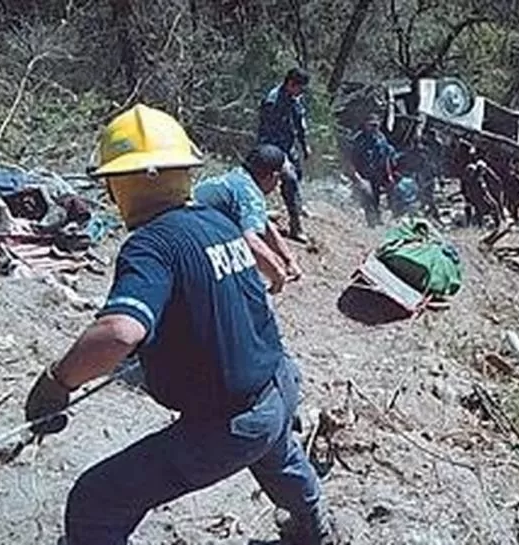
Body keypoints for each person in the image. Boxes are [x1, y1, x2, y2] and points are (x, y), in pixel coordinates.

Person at [23, 104, 336, 545]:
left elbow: (119, 331)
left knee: (96, 500)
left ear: (121, 183)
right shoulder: (217, 223)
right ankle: (315, 527)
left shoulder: (150, 245)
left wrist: (58, 380)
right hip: (279, 386)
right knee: (279, 458)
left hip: (230, 423)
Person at [194, 144, 302, 294]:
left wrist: (288, 260)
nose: (278, 185)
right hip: (191, 244)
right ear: (273, 176)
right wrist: (277, 275)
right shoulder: (251, 195)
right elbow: (251, 241)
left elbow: (265, 224)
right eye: (280, 179)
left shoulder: (239, 177)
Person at [259, 67, 311, 243]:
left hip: (289, 146)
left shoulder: (293, 98)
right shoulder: (272, 101)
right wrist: (278, 159)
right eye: (300, 87)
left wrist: (305, 146)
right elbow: (266, 134)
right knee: (289, 179)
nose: (301, 92)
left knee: (298, 175)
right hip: (274, 148)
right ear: (290, 84)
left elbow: (299, 122)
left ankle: (297, 204)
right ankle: (295, 227)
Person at [346, 112, 396, 227]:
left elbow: (386, 157)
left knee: (376, 196)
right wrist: (355, 176)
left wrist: (389, 175)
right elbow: (350, 159)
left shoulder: (381, 138)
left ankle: (376, 218)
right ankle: (371, 221)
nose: (374, 128)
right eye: (371, 125)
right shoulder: (359, 140)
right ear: (365, 125)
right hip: (363, 174)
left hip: (377, 174)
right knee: (367, 196)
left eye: (376, 125)